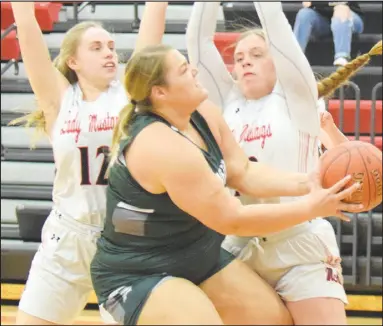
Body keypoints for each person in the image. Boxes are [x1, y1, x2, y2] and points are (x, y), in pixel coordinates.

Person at [90, 41, 362, 325]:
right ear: (160, 92)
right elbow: (233, 220)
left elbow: (242, 171)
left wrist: (309, 183)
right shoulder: (162, 146)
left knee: (273, 319)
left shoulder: (203, 113)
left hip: (196, 255)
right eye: (184, 70)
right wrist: (311, 207)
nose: (194, 70)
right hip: (136, 273)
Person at [186, 1, 381, 325]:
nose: (245, 61)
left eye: (258, 54)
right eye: (238, 58)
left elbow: (276, 26)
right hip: (240, 243)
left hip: (299, 244)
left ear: (278, 60)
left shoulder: (296, 99)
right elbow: (198, 43)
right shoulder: (225, 102)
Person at [9, 2, 169, 324]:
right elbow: (27, 31)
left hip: (121, 242)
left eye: (111, 46)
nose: (109, 53)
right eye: (96, 48)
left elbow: (153, 27)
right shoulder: (59, 98)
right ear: (73, 61)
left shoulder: (129, 94)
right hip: (66, 239)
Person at [293, 1, 364, 66]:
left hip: (349, 17)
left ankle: (342, 56)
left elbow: (341, 2)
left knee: (341, 9)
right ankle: (294, 57)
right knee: (304, 13)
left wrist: (315, 3)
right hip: (323, 20)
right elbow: (306, 3)